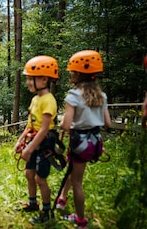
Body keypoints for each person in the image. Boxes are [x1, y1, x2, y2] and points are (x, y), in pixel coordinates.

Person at [56, 50, 111, 229]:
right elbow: (108, 123)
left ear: (79, 74)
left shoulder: (73, 96)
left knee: (77, 182)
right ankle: (62, 199)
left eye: (72, 71)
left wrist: (63, 120)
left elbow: (66, 125)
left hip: (79, 142)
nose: (70, 73)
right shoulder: (101, 96)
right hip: (94, 142)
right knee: (75, 173)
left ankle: (80, 221)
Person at [14, 55, 59, 223]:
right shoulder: (35, 99)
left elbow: (45, 128)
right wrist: (20, 141)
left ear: (44, 79)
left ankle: (46, 213)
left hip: (44, 141)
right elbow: (30, 124)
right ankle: (33, 203)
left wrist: (30, 148)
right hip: (33, 139)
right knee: (29, 174)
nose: (27, 83)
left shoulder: (48, 100)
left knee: (40, 179)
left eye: (30, 79)